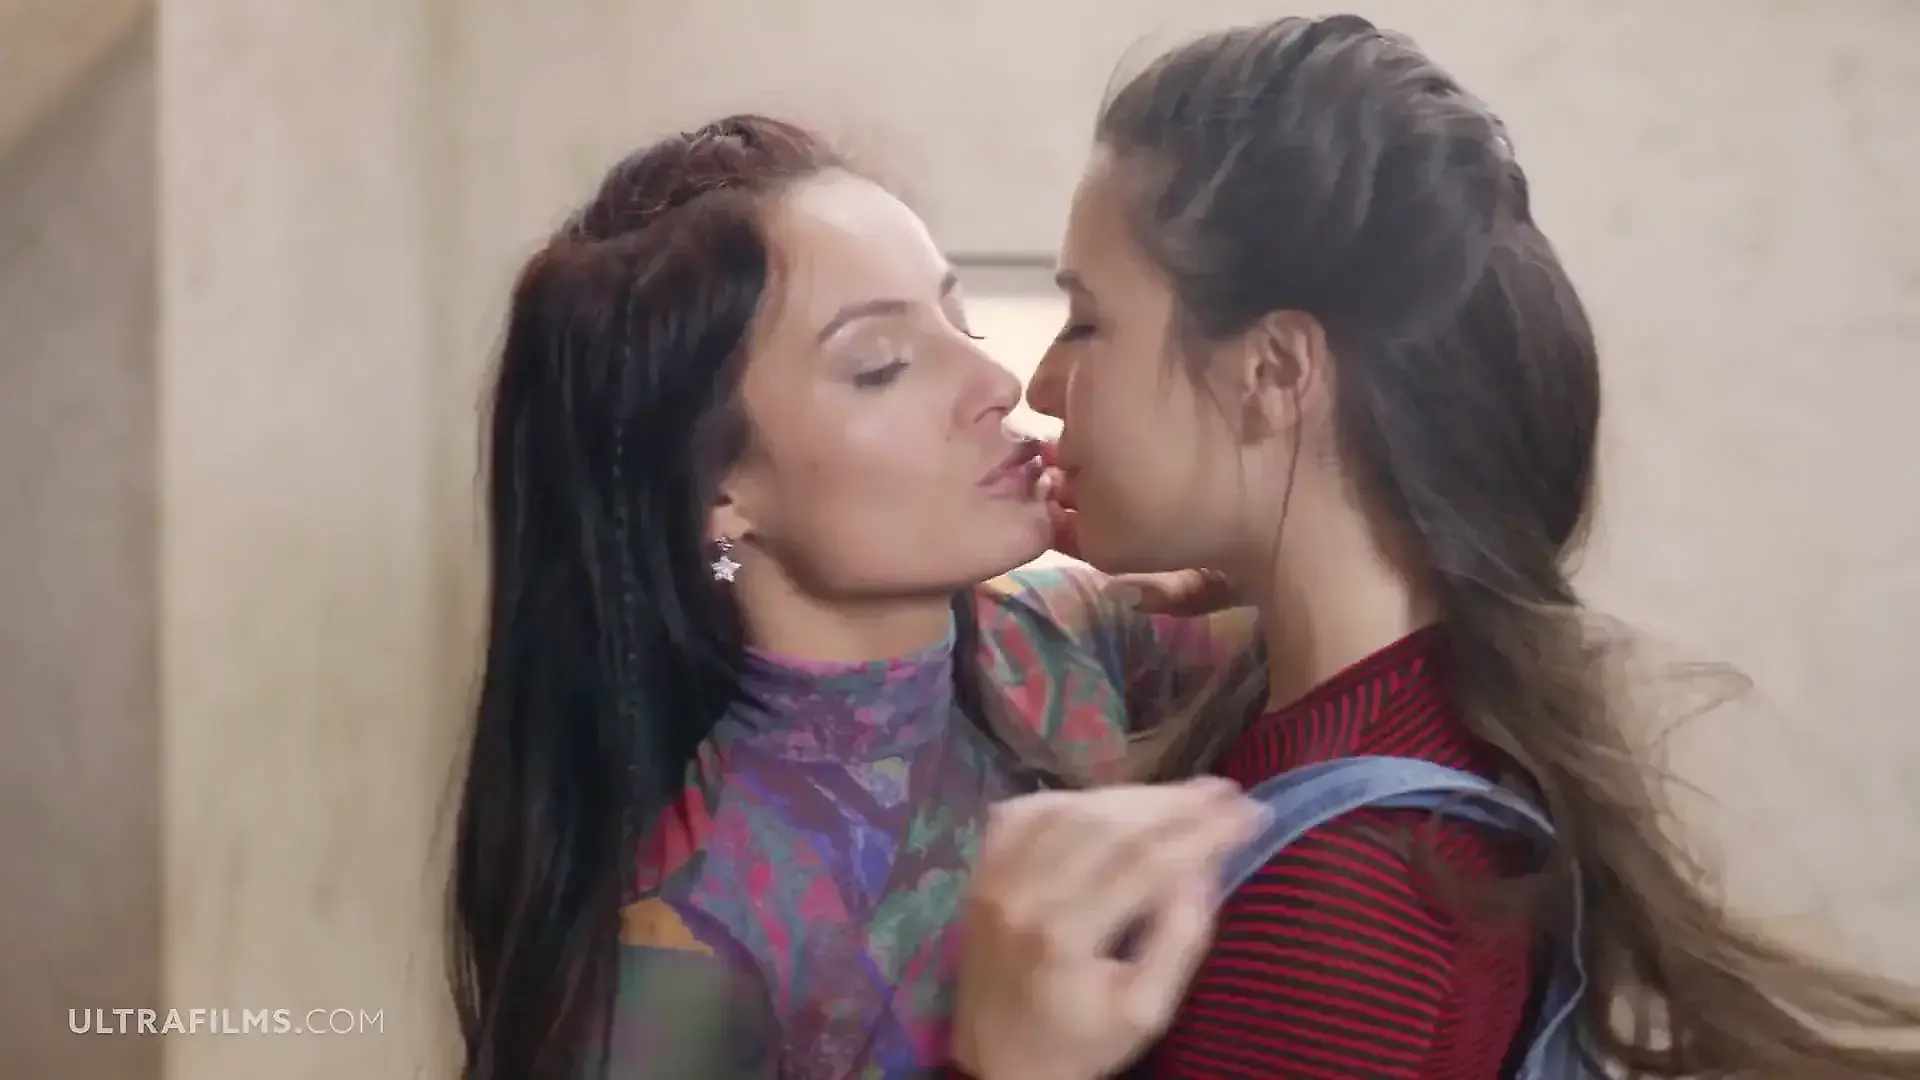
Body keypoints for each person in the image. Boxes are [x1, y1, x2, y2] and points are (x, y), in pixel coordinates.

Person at [951, 14, 1920, 1080]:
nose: (1042, 384)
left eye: (1087, 322)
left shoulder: (1350, 903)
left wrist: (1008, 1062)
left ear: (1275, 371)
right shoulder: (1384, 718)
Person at [445, 115, 1255, 1080]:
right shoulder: (681, 942)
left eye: (961, 322)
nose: (999, 382)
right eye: (883, 366)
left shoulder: (1065, 637)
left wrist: (1247, 553)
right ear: (716, 491)